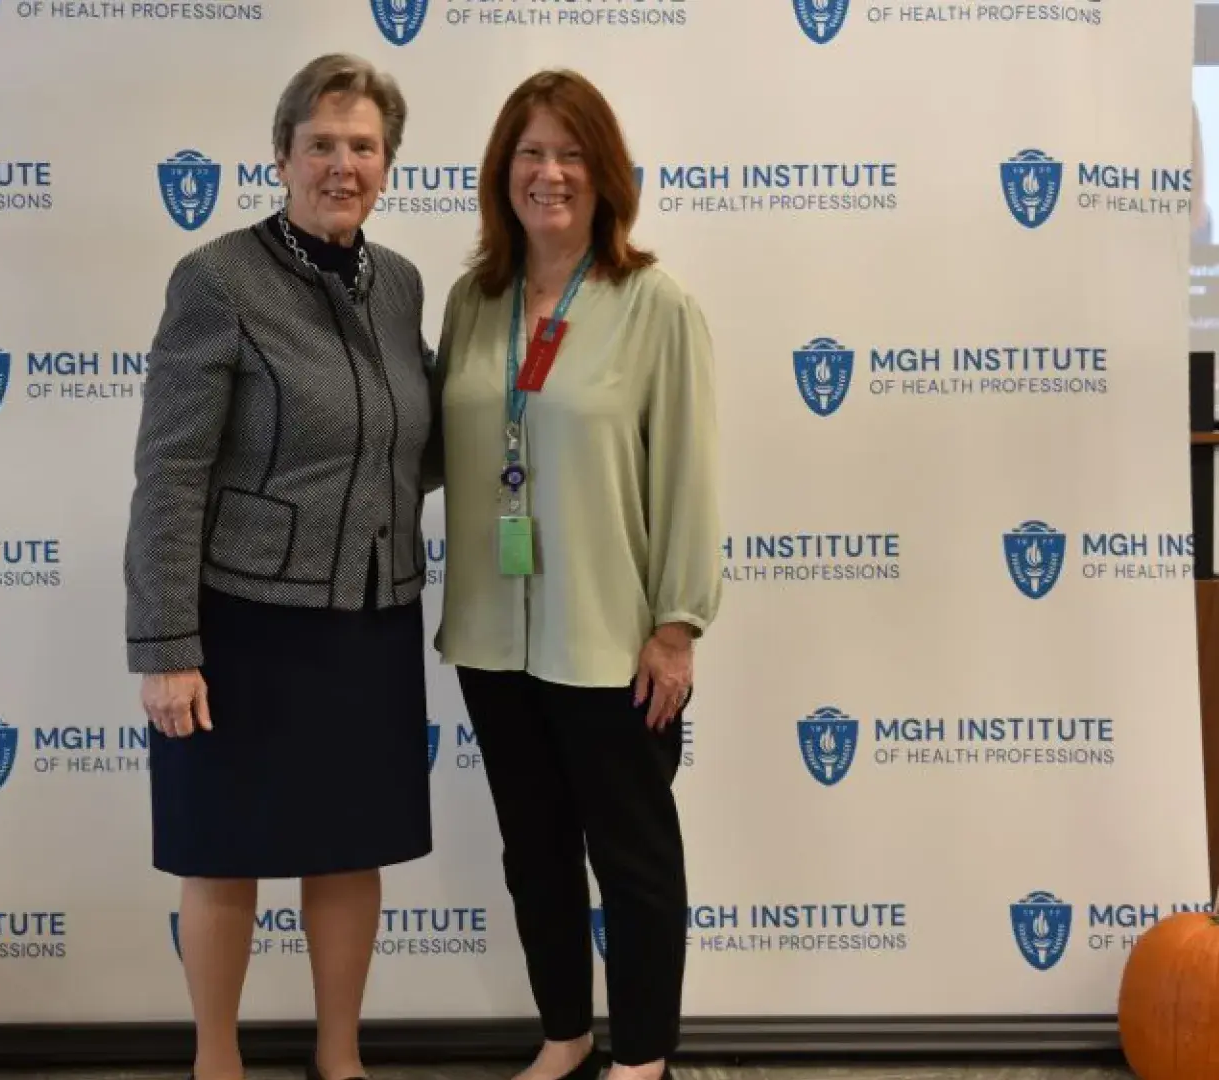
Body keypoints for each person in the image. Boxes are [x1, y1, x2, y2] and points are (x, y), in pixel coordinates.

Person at [122, 53, 435, 1080]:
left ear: (387, 163)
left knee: (350, 848)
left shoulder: (400, 285)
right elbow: (171, 473)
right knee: (224, 851)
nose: (343, 165)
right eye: (322, 144)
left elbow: (412, 442)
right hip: (241, 621)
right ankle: (217, 1061)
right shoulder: (216, 279)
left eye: (364, 147)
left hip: (369, 614)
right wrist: (167, 646)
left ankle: (340, 1059)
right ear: (282, 155)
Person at [429, 69, 723, 1080]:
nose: (548, 173)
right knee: (535, 852)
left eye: (570, 153)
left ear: (605, 175)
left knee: (633, 859)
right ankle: (565, 1034)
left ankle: (642, 1058)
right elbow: (439, 446)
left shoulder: (654, 305)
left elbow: (687, 473)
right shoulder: (475, 302)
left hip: (608, 638)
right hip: (491, 632)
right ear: (501, 172)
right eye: (529, 153)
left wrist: (677, 626)